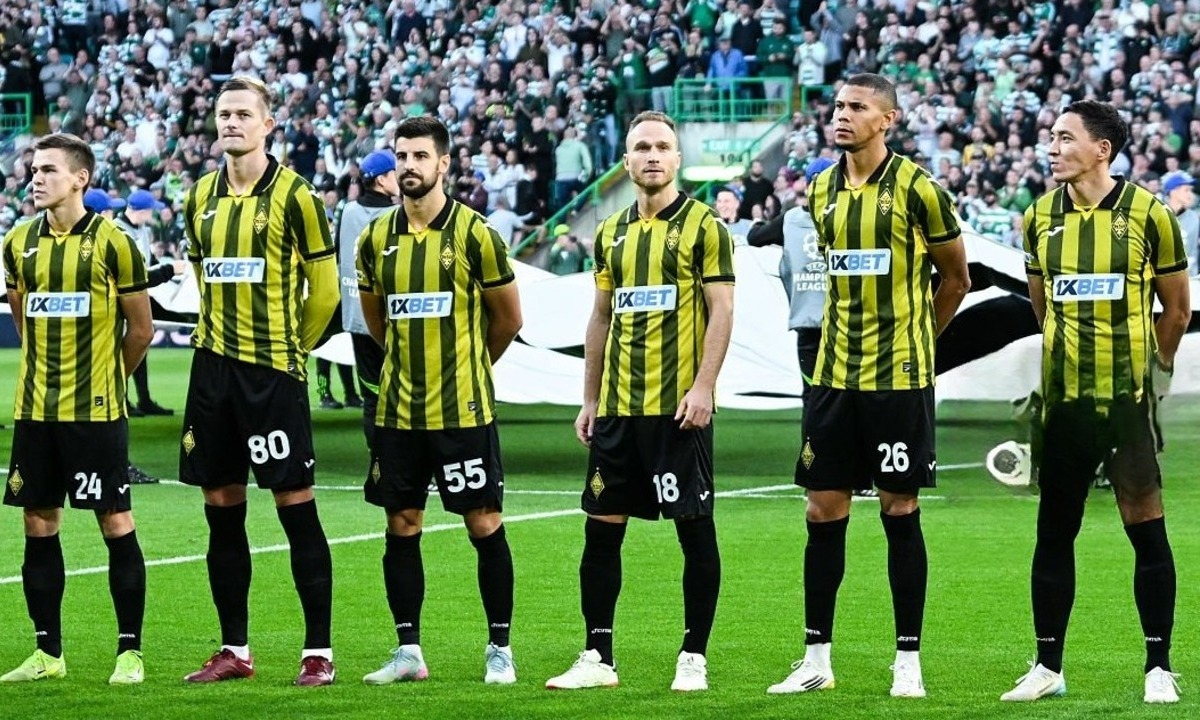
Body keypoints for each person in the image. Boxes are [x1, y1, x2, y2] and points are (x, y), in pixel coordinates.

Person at [767, 74, 970, 698]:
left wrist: (918, 339)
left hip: (897, 380)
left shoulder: (919, 189)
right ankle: (816, 659)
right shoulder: (821, 188)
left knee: (898, 510)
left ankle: (907, 660)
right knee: (821, 511)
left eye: (857, 107)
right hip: (833, 377)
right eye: (838, 106)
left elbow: (956, 279)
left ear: (888, 119)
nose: (842, 115)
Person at [1000, 100, 1191, 705]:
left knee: (1145, 525)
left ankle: (1158, 666)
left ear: (1102, 148)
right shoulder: (1038, 217)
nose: (1052, 148)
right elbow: (1042, 307)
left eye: (1065, 138)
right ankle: (1047, 667)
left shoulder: (1149, 214)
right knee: (1054, 531)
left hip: (1128, 403)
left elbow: (1177, 310)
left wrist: (1152, 375)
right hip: (1065, 405)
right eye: (1051, 137)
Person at [545, 110, 735, 693]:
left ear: (677, 158)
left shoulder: (705, 226)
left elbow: (722, 310)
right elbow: (601, 318)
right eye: (641, 147)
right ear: (626, 160)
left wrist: (703, 386)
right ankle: (597, 656)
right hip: (618, 411)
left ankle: (693, 656)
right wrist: (589, 399)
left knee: (694, 531)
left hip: (677, 410)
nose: (652, 155)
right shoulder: (611, 231)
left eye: (662, 147)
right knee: (601, 531)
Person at [178, 76, 341, 687]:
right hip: (211, 373)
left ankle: (318, 652)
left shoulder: (297, 195)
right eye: (224, 114)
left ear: (268, 124)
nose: (231, 123)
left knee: (295, 508)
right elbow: (203, 271)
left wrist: (292, 347)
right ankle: (234, 649)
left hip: (271, 373)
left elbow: (325, 291)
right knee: (221, 511)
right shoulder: (199, 195)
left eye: (244, 114)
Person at [355, 116, 523, 686]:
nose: (409, 166)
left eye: (420, 156)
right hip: (399, 412)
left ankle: (499, 649)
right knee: (402, 523)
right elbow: (377, 320)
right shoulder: (375, 239)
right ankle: (408, 652)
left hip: (463, 411)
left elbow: (508, 319)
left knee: (483, 522)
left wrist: (468, 366)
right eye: (401, 156)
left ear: (444, 163)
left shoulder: (476, 234)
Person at [0, 133, 153, 685]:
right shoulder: (17, 242)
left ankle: (129, 653)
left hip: (95, 413)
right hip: (35, 411)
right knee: (37, 521)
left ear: (80, 178)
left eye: (48, 170)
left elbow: (141, 330)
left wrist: (107, 381)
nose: (36, 179)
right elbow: (24, 320)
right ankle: (48, 653)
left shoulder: (115, 244)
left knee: (114, 520)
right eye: (33, 171)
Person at [336, 149, 398, 448]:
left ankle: (379, 461)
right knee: (401, 396)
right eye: (395, 172)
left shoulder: (347, 211)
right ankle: (403, 461)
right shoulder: (396, 217)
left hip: (356, 318)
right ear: (383, 180)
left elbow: (339, 257)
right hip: (390, 320)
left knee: (372, 397)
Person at [115, 189, 178, 417]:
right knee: (122, 348)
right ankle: (120, 398)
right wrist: (168, 271)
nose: (153, 214)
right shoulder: (119, 232)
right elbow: (136, 272)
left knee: (139, 346)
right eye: (151, 210)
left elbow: (149, 262)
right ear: (141, 211)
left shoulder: (142, 230)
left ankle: (144, 399)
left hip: (139, 295)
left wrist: (166, 267)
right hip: (122, 299)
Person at [1161, 171, 1199, 277]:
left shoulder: (1194, 217)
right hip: (1164, 278)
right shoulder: (1157, 216)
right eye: (1186, 190)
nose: (1190, 194)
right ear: (1173, 192)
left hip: (1191, 278)